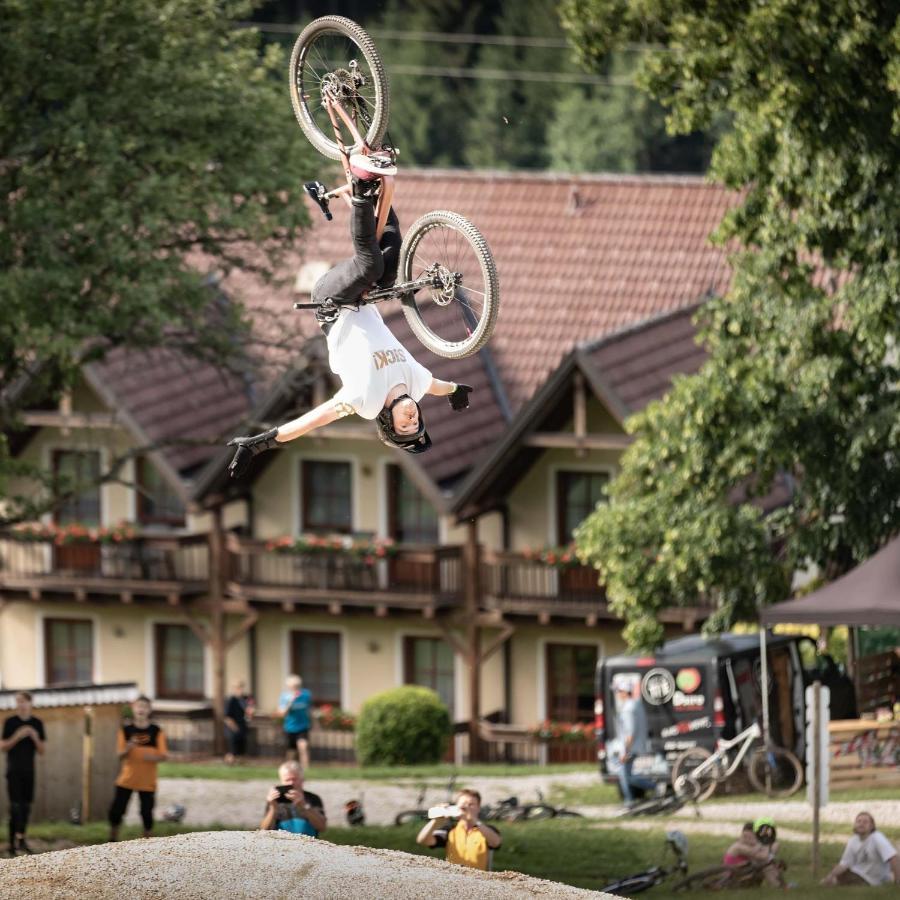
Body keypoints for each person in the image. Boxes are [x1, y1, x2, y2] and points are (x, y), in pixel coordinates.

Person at [227, 154, 473, 476]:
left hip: (332, 302)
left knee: (370, 265)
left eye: (405, 426)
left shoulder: (365, 400)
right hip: (365, 298)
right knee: (390, 258)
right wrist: (456, 391)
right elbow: (437, 385)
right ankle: (372, 187)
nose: (412, 419)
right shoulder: (416, 383)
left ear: (388, 422)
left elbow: (316, 418)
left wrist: (261, 442)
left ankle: (359, 188)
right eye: (417, 422)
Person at [108, 695, 168, 841]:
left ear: (149, 710)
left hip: (147, 781)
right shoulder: (126, 730)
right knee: (117, 811)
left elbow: (164, 755)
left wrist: (151, 757)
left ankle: (147, 842)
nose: (141, 709)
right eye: (138, 706)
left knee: (146, 813)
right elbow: (120, 755)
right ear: (133, 709)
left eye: (145, 706)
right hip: (127, 778)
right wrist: (128, 748)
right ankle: (112, 840)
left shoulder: (156, 731)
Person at [1, 691, 46, 857]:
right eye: (18, 702)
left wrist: (34, 737)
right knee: (15, 807)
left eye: (23, 702)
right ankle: (11, 845)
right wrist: (17, 736)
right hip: (13, 771)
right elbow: (3, 746)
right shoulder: (10, 722)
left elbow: (42, 750)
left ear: (30, 703)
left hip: (29, 771)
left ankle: (22, 840)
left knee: (26, 807)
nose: (20, 705)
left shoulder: (37, 723)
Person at [416, 788, 502, 871]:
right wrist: (436, 821)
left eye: (471, 804)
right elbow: (423, 840)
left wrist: (474, 821)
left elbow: (496, 843)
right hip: (454, 878)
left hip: (478, 880)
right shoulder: (450, 829)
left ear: (478, 808)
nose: (467, 807)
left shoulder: (486, 830)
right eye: (463, 804)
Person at [822, 811, 900, 886]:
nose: (861, 824)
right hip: (858, 872)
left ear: (872, 826)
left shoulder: (877, 838)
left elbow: (893, 857)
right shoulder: (853, 840)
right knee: (836, 870)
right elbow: (844, 863)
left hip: (871, 879)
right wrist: (830, 876)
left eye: (865, 822)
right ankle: (831, 881)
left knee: (839, 879)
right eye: (859, 821)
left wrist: (897, 881)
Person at [613, 675, 656, 806]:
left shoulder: (628, 709)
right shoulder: (637, 705)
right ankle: (630, 799)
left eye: (618, 691)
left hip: (629, 747)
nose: (617, 694)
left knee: (626, 776)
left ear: (625, 692)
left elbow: (630, 732)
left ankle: (632, 799)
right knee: (626, 775)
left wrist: (625, 751)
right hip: (636, 746)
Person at [259, 760, 326, 837]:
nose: (291, 783)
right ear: (281, 781)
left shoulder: (312, 799)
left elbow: (322, 827)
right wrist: (273, 808)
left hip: (307, 844)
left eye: (294, 779)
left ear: (302, 780)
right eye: (287, 780)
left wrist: (304, 806)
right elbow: (264, 830)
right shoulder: (276, 800)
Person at [723, 818, 786, 888]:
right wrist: (766, 846)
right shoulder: (739, 847)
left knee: (766, 862)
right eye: (748, 837)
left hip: (742, 872)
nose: (752, 839)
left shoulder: (746, 845)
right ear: (743, 835)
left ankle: (778, 883)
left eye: (753, 837)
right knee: (766, 865)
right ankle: (776, 885)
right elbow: (763, 856)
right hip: (734, 877)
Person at [278, 674, 312, 771]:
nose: (296, 688)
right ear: (289, 687)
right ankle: (288, 770)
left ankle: (306, 769)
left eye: (297, 686)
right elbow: (282, 713)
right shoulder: (284, 697)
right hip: (290, 727)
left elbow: (309, 709)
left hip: (303, 726)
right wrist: (290, 701)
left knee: (303, 747)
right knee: (291, 752)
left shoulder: (306, 695)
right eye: (293, 686)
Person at [224, 679, 253, 765]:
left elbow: (249, 711)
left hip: (243, 726)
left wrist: (250, 712)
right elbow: (227, 717)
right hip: (233, 728)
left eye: (241, 687)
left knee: (242, 750)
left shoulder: (245, 699)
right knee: (233, 751)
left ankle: (240, 765)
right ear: (234, 689)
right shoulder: (231, 700)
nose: (240, 690)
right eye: (237, 688)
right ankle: (228, 764)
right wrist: (235, 729)